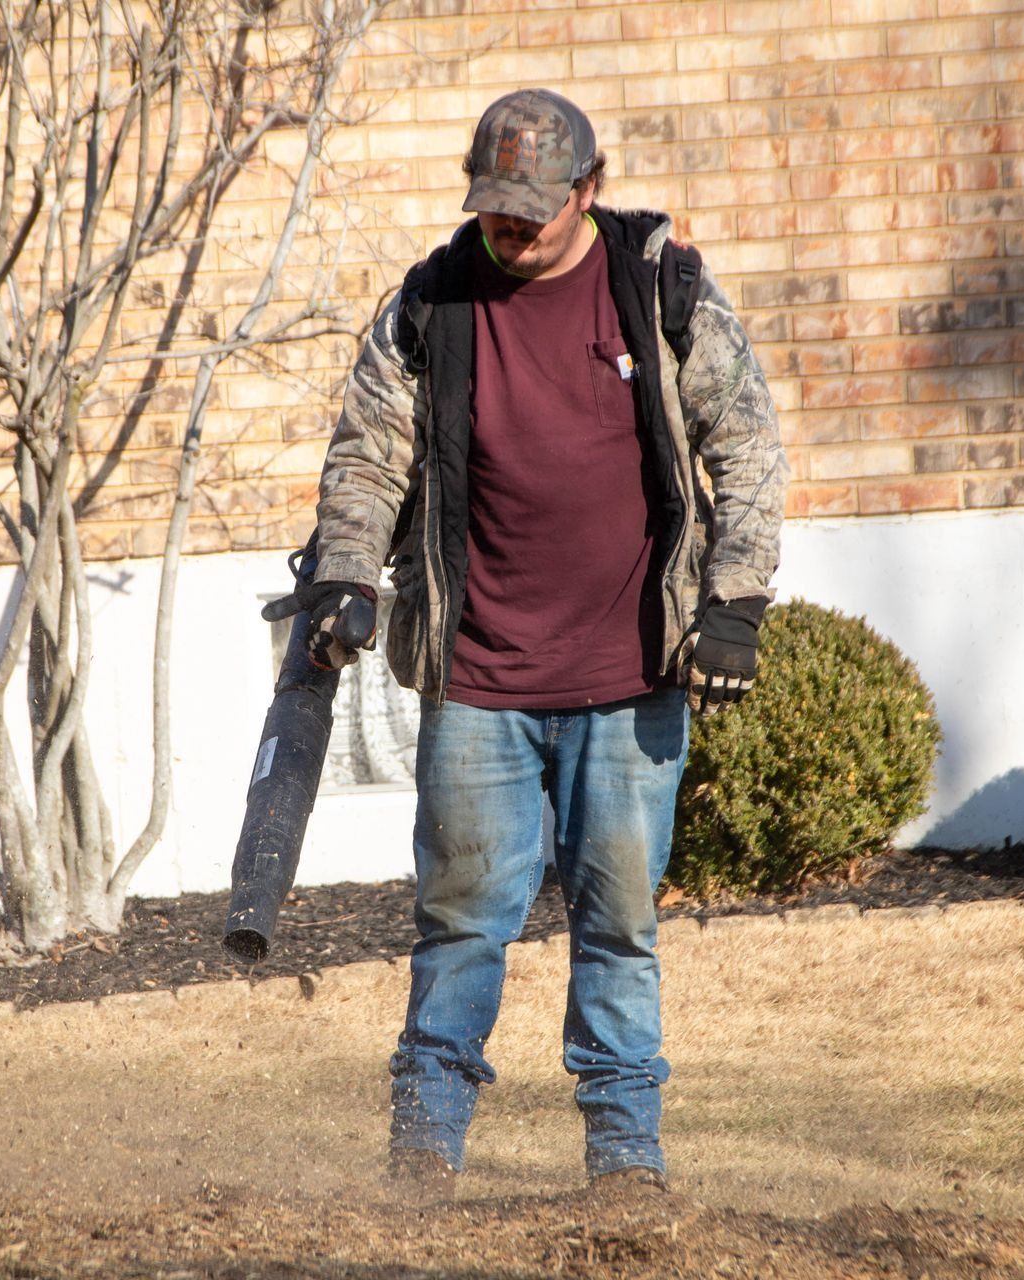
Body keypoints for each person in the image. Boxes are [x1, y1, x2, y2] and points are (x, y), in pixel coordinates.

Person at [290, 87, 787, 1190]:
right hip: (478, 679)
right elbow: (369, 455)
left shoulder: (659, 289)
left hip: (629, 680)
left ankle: (624, 1162)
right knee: (462, 921)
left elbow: (745, 442)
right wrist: (344, 577)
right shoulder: (432, 301)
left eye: (533, 211)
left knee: (618, 923)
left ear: (588, 190)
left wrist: (736, 603)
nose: (509, 230)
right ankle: (421, 1153)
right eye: (495, 209)